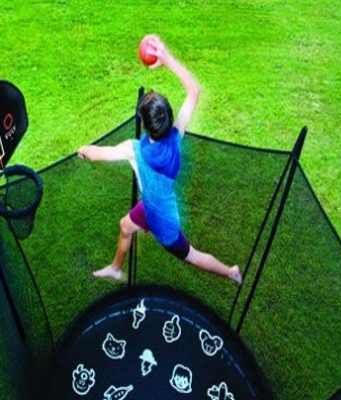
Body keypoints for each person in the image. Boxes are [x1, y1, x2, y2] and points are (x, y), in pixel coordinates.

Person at [78, 36, 242, 284]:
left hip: (164, 223)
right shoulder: (176, 137)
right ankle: (115, 268)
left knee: (192, 256)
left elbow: (98, 153)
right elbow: (194, 91)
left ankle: (231, 272)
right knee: (125, 226)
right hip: (149, 208)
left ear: (144, 125)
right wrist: (167, 59)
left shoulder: (134, 150)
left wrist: (83, 149)